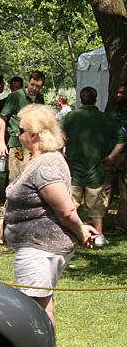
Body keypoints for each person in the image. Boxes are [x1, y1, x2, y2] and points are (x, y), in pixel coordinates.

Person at [5, 103, 97, 347]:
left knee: (35, 309)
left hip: (41, 248)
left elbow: (66, 211)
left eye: (21, 131)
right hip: (37, 246)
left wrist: (80, 231)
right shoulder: (42, 159)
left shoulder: (47, 164)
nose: (18, 135)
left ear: (34, 135)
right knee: (42, 304)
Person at [61, 86, 125, 246]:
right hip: (96, 170)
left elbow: (55, 131)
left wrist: (60, 152)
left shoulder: (70, 117)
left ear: (81, 100)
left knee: (71, 204)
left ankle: (71, 233)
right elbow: (121, 138)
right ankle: (99, 236)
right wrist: (112, 156)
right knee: (97, 205)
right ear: (96, 99)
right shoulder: (105, 118)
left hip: (74, 170)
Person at [0, 71, 46, 187]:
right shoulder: (16, 96)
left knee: (32, 178)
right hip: (17, 143)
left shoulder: (40, 99)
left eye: (38, 86)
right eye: (32, 84)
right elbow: (2, 118)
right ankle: (11, 204)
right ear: (28, 82)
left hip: (34, 144)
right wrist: (1, 142)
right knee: (16, 178)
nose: (34, 88)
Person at [106, 83, 127, 235]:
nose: (118, 95)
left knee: (124, 194)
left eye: (122, 93)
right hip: (110, 154)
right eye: (117, 93)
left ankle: (121, 226)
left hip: (125, 155)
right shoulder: (112, 112)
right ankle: (96, 222)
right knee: (105, 190)